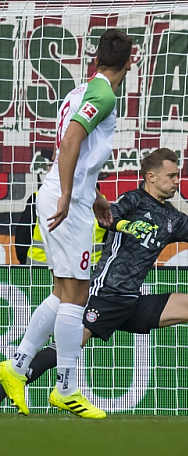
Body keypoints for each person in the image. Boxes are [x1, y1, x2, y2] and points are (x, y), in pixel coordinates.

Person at [0, 148, 188, 418]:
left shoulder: (173, 219)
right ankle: (9, 383)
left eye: (178, 176)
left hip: (131, 301)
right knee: (65, 350)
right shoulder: (133, 200)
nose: (176, 181)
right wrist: (124, 224)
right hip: (105, 294)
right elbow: (108, 216)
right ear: (151, 176)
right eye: (171, 176)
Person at [0, 29, 133, 416]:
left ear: (95, 59)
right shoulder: (105, 94)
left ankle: (17, 365)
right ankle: (66, 387)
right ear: (130, 61)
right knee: (77, 293)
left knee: (63, 292)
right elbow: (72, 141)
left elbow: (81, 151)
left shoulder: (81, 90)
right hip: (64, 201)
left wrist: (94, 197)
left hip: (68, 197)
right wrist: (69, 195)